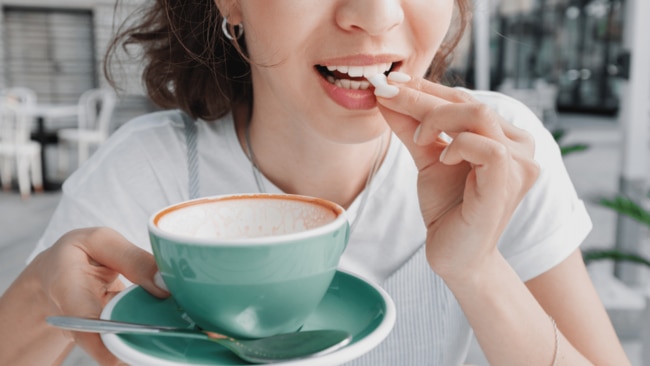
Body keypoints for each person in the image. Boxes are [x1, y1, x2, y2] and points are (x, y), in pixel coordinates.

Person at [0, 0, 631, 365]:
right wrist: (37, 299)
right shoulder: (146, 172)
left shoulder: (497, 151)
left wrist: (479, 270)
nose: (375, 15)